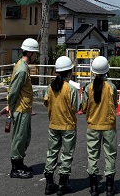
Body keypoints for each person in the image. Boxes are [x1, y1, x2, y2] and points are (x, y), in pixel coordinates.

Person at [43, 56, 81, 195]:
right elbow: (77, 107)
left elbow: (46, 102)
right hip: (68, 126)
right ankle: (62, 185)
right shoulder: (71, 89)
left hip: (53, 124)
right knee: (66, 155)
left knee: (51, 153)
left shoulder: (50, 87)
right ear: (69, 71)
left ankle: (49, 184)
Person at [82, 56, 118, 196]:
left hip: (92, 125)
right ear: (106, 70)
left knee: (92, 156)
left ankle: (94, 188)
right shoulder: (111, 87)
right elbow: (114, 105)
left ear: (93, 71)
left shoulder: (89, 88)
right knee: (110, 155)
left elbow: (84, 107)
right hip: (108, 125)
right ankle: (109, 188)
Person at [7, 38, 39, 179]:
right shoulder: (22, 69)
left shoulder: (22, 66)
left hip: (24, 108)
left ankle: (20, 164)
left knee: (24, 137)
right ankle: (15, 169)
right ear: (30, 52)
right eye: (35, 53)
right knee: (19, 138)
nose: (36, 56)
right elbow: (14, 91)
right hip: (20, 109)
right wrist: (11, 108)